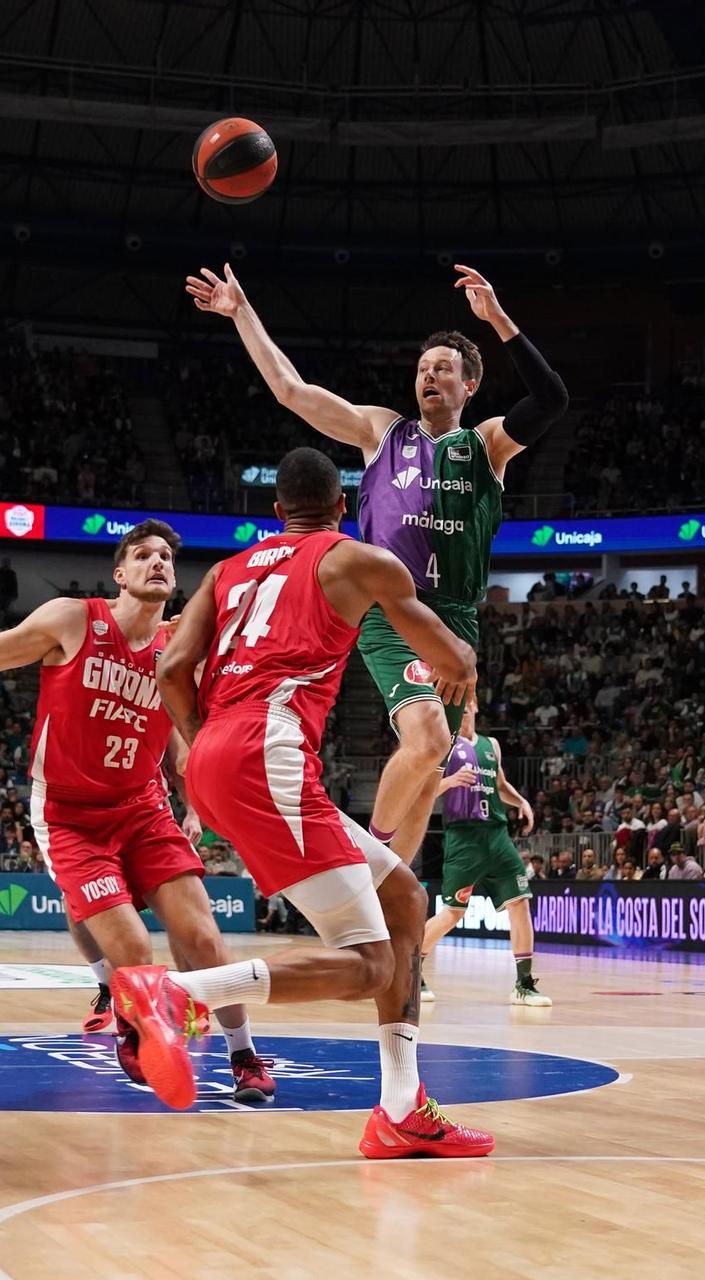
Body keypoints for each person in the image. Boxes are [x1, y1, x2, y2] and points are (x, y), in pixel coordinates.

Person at [135, 447, 492, 1157]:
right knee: (368, 965)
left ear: (275, 513)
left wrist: (206, 742)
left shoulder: (226, 571)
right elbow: (453, 658)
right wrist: (459, 662)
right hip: (266, 751)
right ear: (342, 509)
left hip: (216, 752)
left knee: (405, 906)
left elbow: (173, 667)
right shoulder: (354, 558)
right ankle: (176, 995)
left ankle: (401, 1108)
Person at [186, 261, 567, 869]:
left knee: (430, 766)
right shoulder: (382, 432)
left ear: (469, 384)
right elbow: (291, 390)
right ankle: (366, 863)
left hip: (456, 622)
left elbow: (551, 398)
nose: (428, 376)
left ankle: (398, 906)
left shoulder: (487, 445)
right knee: (429, 740)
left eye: (443, 368)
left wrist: (495, 316)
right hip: (394, 611)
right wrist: (241, 312)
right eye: (422, 368)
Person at [0, 521, 277, 1103]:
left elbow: (180, 740)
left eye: (166, 556)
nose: (157, 562)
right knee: (136, 953)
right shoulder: (72, 619)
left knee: (203, 939)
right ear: (120, 574)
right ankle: (128, 1019)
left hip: (144, 809)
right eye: (143, 555)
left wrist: (193, 804)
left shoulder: (180, 649)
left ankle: (242, 1053)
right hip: (70, 814)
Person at [416, 701, 546, 1007]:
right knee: (452, 913)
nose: (462, 708)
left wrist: (521, 802)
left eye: (467, 702)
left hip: (497, 835)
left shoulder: (492, 745)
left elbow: (499, 784)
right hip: (464, 838)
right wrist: (448, 781)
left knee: (520, 903)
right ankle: (410, 971)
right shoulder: (442, 744)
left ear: (474, 706)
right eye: (456, 703)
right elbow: (421, 789)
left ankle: (524, 984)